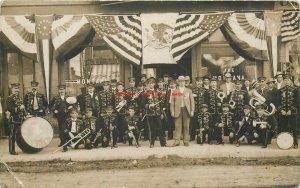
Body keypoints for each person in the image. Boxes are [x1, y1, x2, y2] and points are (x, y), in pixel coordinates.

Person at [140, 77, 167, 148]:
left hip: (157, 113)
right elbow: (142, 104)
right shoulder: (145, 93)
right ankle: (152, 143)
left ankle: (163, 143)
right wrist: (149, 105)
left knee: (160, 128)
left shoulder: (158, 92)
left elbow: (161, 104)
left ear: (154, 84)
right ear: (148, 84)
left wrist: (161, 112)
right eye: (150, 83)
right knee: (152, 129)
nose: (151, 85)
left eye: (152, 83)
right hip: (150, 114)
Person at [275, 74, 299, 149]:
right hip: (282, 112)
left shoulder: (295, 90)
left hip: (292, 112)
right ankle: (283, 143)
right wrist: (281, 110)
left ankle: (295, 143)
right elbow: (277, 102)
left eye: (288, 80)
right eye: (285, 80)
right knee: (283, 128)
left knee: (294, 128)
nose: (286, 81)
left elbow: (297, 102)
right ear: (283, 81)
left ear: (290, 81)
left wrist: (290, 110)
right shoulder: (280, 91)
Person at [170, 75, 195, 147]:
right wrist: (172, 111)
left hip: (186, 110)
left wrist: (192, 110)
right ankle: (177, 141)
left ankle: (186, 141)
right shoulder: (175, 91)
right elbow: (172, 102)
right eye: (180, 81)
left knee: (186, 126)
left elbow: (192, 102)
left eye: (183, 81)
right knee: (177, 126)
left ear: (185, 82)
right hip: (177, 110)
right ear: (178, 82)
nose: (181, 82)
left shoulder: (189, 91)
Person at [6, 83, 27, 155]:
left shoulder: (19, 98)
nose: (17, 90)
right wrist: (18, 108)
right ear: (12, 89)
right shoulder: (9, 98)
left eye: (17, 88)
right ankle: (11, 150)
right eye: (15, 88)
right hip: (14, 119)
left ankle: (23, 148)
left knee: (20, 135)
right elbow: (10, 108)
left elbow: (23, 108)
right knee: (12, 135)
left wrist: (25, 115)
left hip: (21, 119)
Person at [191, 76, 208, 141]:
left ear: (202, 82)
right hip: (195, 109)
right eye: (198, 81)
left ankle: (202, 136)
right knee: (193, 123)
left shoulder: (205, 90)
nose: (199, 83)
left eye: (200, 81)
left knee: (202, 123)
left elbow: (206, 101)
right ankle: (192, 137)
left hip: (202, 110)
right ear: (196, 82)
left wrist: (205, 109)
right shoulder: (193, 90)